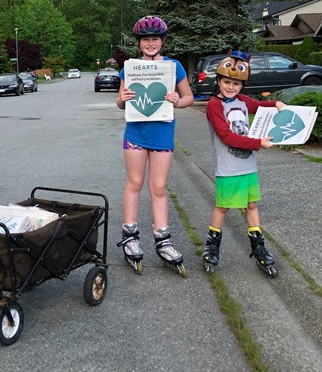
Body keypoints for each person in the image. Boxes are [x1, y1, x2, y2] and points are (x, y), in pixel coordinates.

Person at [115, 15, 193, 276]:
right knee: (134, 183)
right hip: (135, 133)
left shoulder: (174, 67)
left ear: (162, 41)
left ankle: (163, 239)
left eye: (155, 39)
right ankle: (130, 234)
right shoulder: (130, 68)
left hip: (162, 135)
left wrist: (176, 100)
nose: (150, 43)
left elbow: (188, 97)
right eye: (145, 39)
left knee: (158, 187)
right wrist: (122, 98)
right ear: (139, 43)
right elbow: (120, 102)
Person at [202, 50, 285, 278]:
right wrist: (258, 142)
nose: (231, 87)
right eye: (227, 82)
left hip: (248, 167)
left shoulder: (241, 101)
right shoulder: (214, 106)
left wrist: (275, 103)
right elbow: (227, 136)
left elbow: (258, 105)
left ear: (242, 85)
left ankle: (259, 248)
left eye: (236, 83)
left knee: (251, 206)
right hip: (228, 169)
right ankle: (212, 247)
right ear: (218, 81)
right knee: (223, 207)